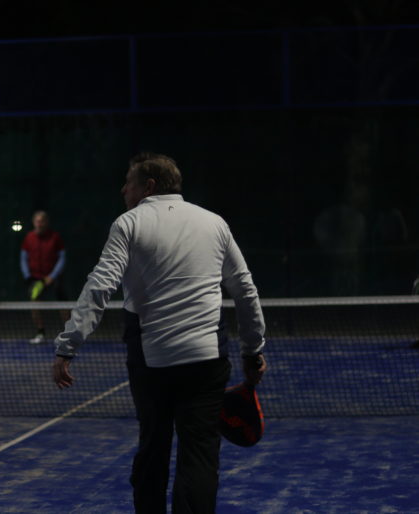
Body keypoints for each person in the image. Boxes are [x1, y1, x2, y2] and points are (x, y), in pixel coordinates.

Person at [52, 153, 267, 513]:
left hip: (151, 362)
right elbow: (244, 290)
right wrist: (253, 350)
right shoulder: (214, 223)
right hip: (206, 361)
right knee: (199, 458)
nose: (123, 189)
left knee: (153, 449)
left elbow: (99, 285)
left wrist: (67, 345)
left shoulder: (128, 224)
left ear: (149, 186)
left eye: (129, 181)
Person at [20, 210, 66, 344]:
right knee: (34, 304)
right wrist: (27, 276)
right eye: (37, 221)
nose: (40, 224)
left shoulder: (55, 237)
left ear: (46, 223)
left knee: (63, 305)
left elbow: (62, 258)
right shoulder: (28, 238)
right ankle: (40, 333)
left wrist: (52, 276)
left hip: (53, 278)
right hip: (35, 278)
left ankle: (68, 335)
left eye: (42, 221)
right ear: (34, 223)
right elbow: (23, 258)